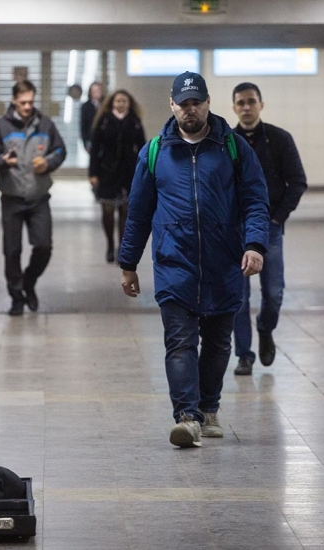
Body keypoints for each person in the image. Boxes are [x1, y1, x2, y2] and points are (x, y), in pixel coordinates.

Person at [118, 72, 270, 448]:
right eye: (183, 103)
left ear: (207, 103)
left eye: (196, 102)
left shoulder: (233, 147)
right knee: (179, 342)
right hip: (174, 263)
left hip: (224, 263)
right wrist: (128, 264)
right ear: (172, 105)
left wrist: (254, 245)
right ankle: (187, 417)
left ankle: (208, 407)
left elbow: (255, 199)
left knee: (218, 344)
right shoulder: (155, 152)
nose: (190, 109)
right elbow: (138, 212)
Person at [231, 83, 308, 376]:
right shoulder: (227, 142)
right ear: (234, 108)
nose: (246, 107)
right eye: (241, 102)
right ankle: (244, 355)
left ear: (261, 105)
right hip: (236, 230)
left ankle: (265, 328)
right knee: (238, 297)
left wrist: (277, 218)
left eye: (251, 101)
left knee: (274, 292)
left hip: (270, 227)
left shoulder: (279, 139)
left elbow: (297, 181)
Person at [0, 80, 67, 316]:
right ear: (14, 101)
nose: (27, 106)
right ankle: (17, 297)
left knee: (44, 246)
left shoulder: (46, 124)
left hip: (39, 197)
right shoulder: (2, 126)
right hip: (12, 198)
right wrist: (2, 162)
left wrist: (47, 163)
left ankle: (29, 281)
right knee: (12, 251)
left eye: (30, 101)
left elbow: (60, 150)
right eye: (23, 102)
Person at [88, 90, 146, 263]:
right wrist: (93, 173)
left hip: (128, 172)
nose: (121, 104)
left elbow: (142, 147)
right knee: (107, 210)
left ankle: (121, 247)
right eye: (118, 101)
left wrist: (143, 171)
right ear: (112, 103)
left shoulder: (134, 121)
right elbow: (95, 148)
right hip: (107, 172)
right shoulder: (104, 121)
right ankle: (109, 243)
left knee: (125, 211)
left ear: (129, 103)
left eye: (124, 101)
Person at [80, 82, 104, 153]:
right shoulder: (86, 106)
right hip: (92, 139)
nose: (97, 93)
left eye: (98, 90)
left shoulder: (106, 105)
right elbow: (83, 126)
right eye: (94, 91)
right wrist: (85, 143)